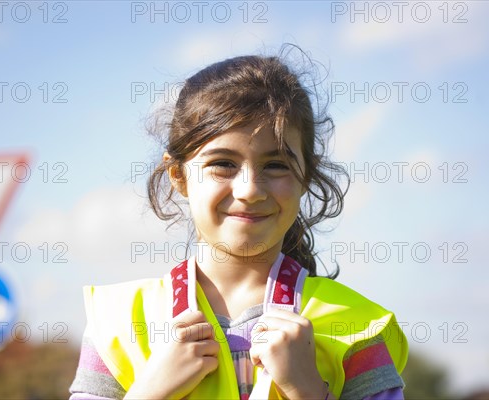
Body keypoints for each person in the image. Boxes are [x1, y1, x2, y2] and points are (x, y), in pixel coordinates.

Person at [69, 46, 408, 400]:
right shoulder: (119, 325)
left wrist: (306, 389)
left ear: (306, 174)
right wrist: (149, 392)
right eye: (223, 164)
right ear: (177, 174)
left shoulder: (355, 327)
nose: (249, 189)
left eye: (276, 165)